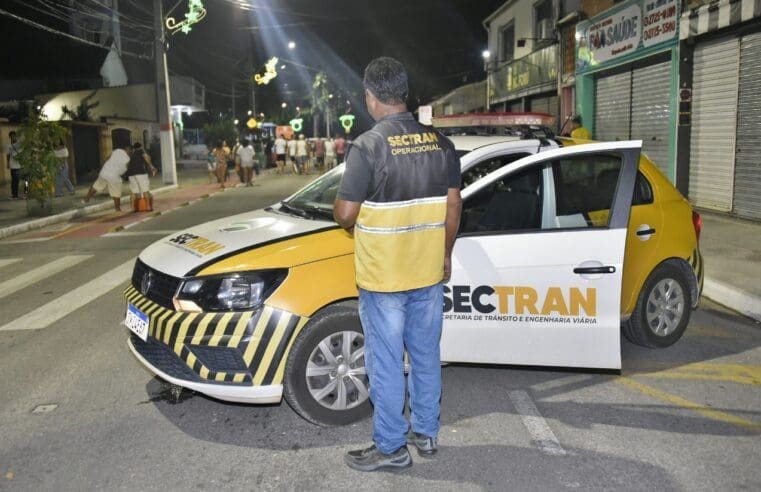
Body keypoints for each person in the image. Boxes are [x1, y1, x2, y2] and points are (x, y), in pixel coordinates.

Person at [333, 57, 462, 472]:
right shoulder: (442, 145)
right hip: (427, 272)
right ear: (403, 94)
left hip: (384, 278)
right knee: (425, 355)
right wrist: (445, 253)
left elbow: (346, 215)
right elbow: (453, 205)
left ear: (371, 97)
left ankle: (390, 448)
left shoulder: (367, 147)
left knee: (386, 363)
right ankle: (426, 433)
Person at [82, 144, 133, 211]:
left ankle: (86, 199)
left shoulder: (117, 150)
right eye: (131, 151)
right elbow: (126, 169)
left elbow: (107, 158)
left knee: (96, 186)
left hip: (104, 172)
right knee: (116, 192)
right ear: (129, 149)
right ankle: (117, 208)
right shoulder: (128, 159)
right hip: (114, 176)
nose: (131, 152)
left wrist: (105, 166)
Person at [125, 142, 157, 211]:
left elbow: (127, 165)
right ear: (141, 147)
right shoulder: (141, 151)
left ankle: (133, 208)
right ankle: (148, 207)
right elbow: (146, 157)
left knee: (134, 191)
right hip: (140, 173)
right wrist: (152, 167)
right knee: (145, 190)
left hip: (131, 174)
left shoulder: (132, 154)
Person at [6, 131, 22, 199]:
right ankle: (14, 194)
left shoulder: (20, 144)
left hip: (20, 164)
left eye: (14, 136)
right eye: (12, 136)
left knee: (21, 180)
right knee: (14, 180)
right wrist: (7, 163)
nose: (13, 137)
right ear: (10, 137)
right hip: (13, 165)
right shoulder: (8, 145)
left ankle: (24, 192)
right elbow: (8, 155)